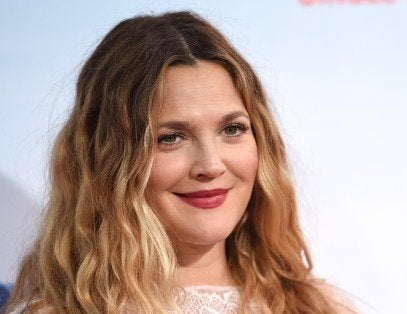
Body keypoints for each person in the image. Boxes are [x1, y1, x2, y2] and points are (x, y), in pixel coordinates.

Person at [6, 11, 355, 313]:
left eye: (232, 129)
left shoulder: (321, 307)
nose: (211, 164)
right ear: (109, 163)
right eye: (170, 137)